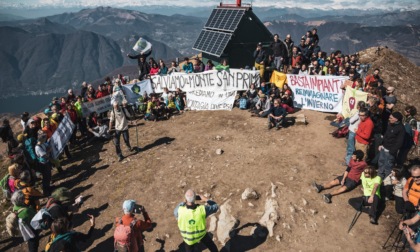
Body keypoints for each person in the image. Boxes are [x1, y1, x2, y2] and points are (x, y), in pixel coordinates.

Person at [378, 112, 405, 179]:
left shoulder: (401, 129)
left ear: (396, 119)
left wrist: (392, 151)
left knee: (388, 166)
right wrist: (381, 144)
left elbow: (399, 142)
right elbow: (386, 135)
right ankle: (379, 177)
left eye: (391, 118)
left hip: (390, 151)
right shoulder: (390, 124)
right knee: (381, 163)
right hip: (383, 148)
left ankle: (386, 181)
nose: (389, 119)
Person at [345, 101, 365, 165]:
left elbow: (351, 120)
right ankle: (349, 161)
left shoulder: (358, 113)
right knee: (351, 146)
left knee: (350, 147)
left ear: (358, 106)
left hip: (353, 131)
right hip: (355, 131)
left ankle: (348, 162)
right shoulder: (363, 113)